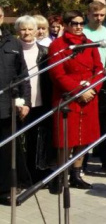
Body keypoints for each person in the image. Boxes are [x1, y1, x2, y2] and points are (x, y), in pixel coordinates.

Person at [48, 10, 103, 192]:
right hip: (68, 97)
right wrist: (79, 91)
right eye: (74, 23)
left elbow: (99, 69)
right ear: (66, 25)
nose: (79, 27)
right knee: (66, 139)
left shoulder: (90, 43)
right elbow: (58, 75)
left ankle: (76, 174)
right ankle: (60, 175)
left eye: (81, 23)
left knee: (84, 139)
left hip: (89, 98)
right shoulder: (58, 45)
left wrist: (93, 89)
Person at [16, 16, 52, 186]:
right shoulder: (14, 51)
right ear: (18, 31)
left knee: (37, 140)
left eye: (31, 29)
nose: (27, 32)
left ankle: (36, 174)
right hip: (20, 104)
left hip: (40, 101)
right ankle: (21, 176)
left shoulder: (45, 52)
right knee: (20, 141)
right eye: (23, 29)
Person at [83, 0, 106, 172]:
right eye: (95, 15)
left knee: (103, 125)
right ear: (88, 14)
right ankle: (81, 162)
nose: (98, 18)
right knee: (86, 123)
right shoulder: (83, 32)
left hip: (104, 80)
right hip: (87, 81)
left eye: (102, 15)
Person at [0, 12, 30, 205]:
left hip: (6, 107)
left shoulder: (13, 42)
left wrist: (25, 101)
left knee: (6, 151)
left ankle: (4, 190)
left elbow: (23, 75)